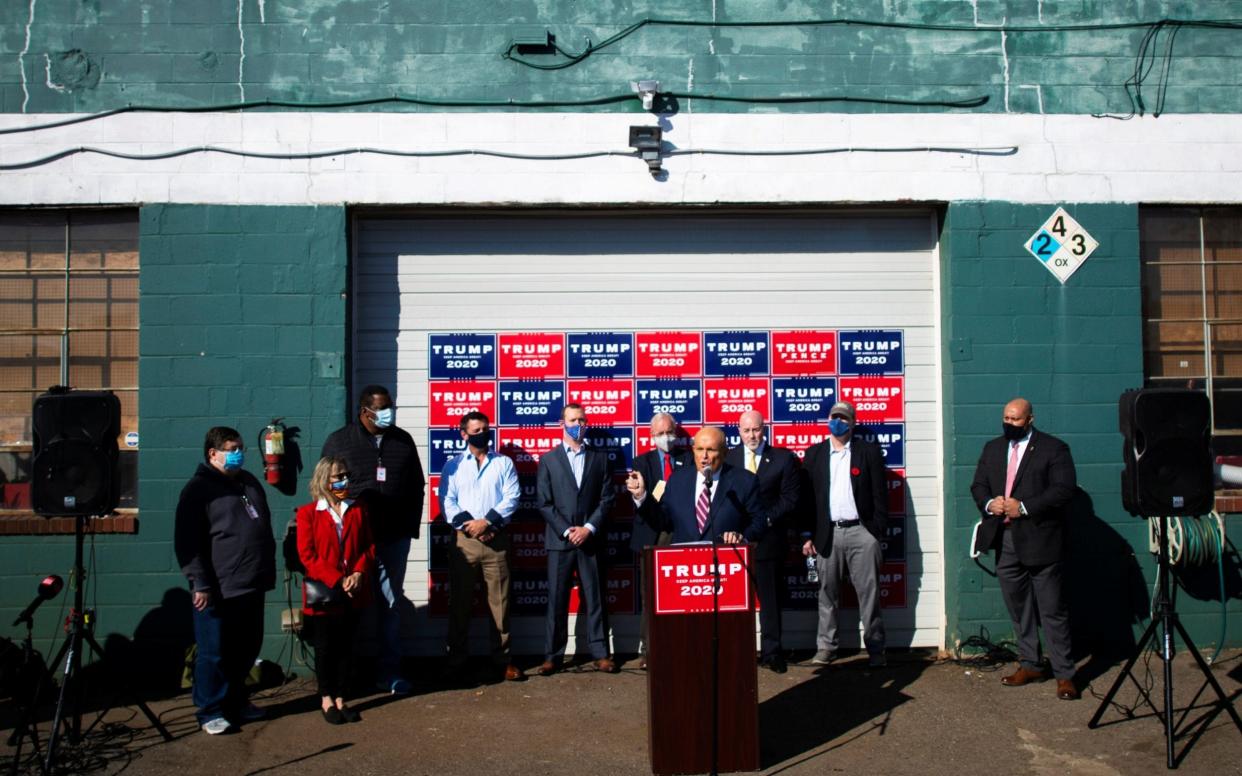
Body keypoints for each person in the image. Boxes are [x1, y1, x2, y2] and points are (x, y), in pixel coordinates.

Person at [970, 397, 1080, 700]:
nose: (1009, 424)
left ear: (1030, 419)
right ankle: (1031, 663)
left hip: (1041, 540)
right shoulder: (993, 448)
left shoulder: (1053, 448)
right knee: (1019, 608)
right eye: (1005, 418)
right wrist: (991, 503)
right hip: (1004, 540)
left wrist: (1026, 507)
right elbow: (978, 485)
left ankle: (1064, 674)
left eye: (1015, 419)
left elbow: (1063, 489)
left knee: (1052, 610)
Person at [321, 385, 425, 695]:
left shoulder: (401, 440)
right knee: (348, 608)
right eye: (382, 409)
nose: (388, 414)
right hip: (353, 543)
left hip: (393, 539)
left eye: (390, 407)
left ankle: (389, 673)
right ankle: (347, 679)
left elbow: (416, 485)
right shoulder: (339, 441)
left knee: (390, 607)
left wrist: (408, 528)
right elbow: (325, 490)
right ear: (365, 412)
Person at [174, 427, 276, 735]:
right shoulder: (198, 490)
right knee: (214, 652)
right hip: (217, 588)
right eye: (233, 448)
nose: (240, 452)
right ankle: (210, 710)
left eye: (241, 447)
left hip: (251, 583)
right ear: (213, 453)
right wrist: (199, 582)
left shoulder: (247, 482)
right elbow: (187, 542)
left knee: (245, 648)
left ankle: (236, 702)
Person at [801, 401, 889, 668]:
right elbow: (807, 500)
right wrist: (808, 535)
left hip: (861, 532)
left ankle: (876, 648)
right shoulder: (814, 454)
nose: (837, 422)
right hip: (828, 533)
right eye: (834, 417)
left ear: (852, 423)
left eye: (843, 418)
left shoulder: (868, 452)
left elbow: (879, 496)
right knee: (826, 594)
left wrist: (876, 532)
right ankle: (826, 647)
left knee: (869, 594)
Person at [439, 411, 523, 682]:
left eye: (486, 428)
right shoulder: (452, 466)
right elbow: (447, 502)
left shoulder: (504, 463)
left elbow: (512, 497)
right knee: (460, 605)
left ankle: (502, 661)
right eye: (476, 430)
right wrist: (470, 526)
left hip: (495, 541)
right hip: (465, 543)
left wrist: (487, 523)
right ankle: (456, 659)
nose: (483, 433)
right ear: (464, 434)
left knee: (500, 605)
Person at [535, 403, 618, 675]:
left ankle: (600, 653)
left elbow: (607, 499)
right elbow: (544, 503)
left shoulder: (600, 458)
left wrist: (588, 528)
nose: (578, 424)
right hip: (560, 541)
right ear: (562, 423)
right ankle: (552, 656)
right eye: (572, 420)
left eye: (582, 419)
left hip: (590, 539)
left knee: (595, 597)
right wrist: (568, 530)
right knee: (557, 600)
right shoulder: (548, 460)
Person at [296, 457, 375, 725]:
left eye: (345, 474)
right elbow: (307, 555)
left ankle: (342, 696)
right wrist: (338, 579)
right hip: (326, 592)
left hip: (353, 591)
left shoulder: (357, 509)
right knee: (325, 647)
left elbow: (368, 546)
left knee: (347, 645)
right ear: (323, 480)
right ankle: (326, 697)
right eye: (337, 476)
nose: (343, 480)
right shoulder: (308, 513)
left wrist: (358, 573)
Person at [726, 410, 801, 673]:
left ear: (764, 429)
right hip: (733, 542)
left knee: (770, 601)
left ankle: (772, 652)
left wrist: (763, 521)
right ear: (739, 431)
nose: (751, 435)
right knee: (733, 602)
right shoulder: (729, 457)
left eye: (756, 430)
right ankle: (738, 652)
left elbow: (789, 499)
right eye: (746, 431)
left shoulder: (783, 458)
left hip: (769, 541)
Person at [628, 426, 764, 546]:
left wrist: (743, 538)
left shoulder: (745, 481)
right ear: (693, 450)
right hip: (686, 566)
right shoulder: (677, 480)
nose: (704, 456)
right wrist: (641, 496)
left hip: (726, 563)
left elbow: (759, 521)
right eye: (699, 449)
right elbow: (663, 520)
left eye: (710, 450)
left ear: (724, 453)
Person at [628, 412, 687, 668]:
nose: (666, 437)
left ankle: (680, 645)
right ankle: (648, 650)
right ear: (651, 436)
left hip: (681, 533)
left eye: (670, 432)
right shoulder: (641, 463)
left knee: (682, 593)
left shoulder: (687, 459)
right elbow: (642, 501)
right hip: (653, 533)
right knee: (650, 595)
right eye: (661, 433)